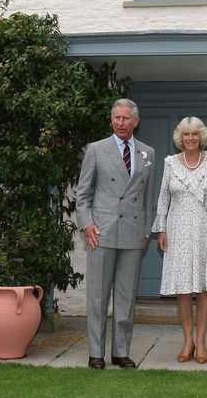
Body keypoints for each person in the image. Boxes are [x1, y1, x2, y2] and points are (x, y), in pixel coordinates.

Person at [75, 98, 155, 369]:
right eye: (116, 118)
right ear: (111, 120)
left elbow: (147, 197)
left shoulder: (148, 153)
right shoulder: (96, 150)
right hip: (102, 233)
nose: (121, 123)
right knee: (98, 297)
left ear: (136, 121)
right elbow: (83, 194)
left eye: (125, 118)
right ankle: (95, 353)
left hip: (133, 234)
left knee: (125, 296)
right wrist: (87, 224)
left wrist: (146, 230)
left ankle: (121, 352)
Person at [151, 116, 207, 364]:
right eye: (186, 134)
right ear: (180, 139)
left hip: (206, 228)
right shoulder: (170, 163)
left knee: (205, 289)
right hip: (177, 230)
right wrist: (161, 229)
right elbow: (163, 197)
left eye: (195, 134)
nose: (191, 138)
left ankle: (202, 342)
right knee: (183, 289)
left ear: (202, 137)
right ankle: (188, 341)